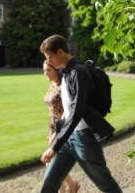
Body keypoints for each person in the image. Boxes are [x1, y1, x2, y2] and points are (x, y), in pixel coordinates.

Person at [39, 35, 122, 193]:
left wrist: (54, 147)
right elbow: (68, 109)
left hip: (84, 139)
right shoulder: (65, 71)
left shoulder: (78, 72)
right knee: (50, 182)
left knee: (106, 184)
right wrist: (58, 132)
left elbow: (76, 112)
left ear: (60, 52)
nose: (49, 61)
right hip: (68, 137)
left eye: (50, 57)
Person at [42, 60, 79, 193]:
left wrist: (57, 132)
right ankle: (73, 185)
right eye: (44, 70)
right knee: (54, 164)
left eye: (48, 70)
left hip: (62, 127)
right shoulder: (53, 85)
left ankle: (70, 187)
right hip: (53, 126)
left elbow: (68, 110)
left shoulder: (64, 85)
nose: (45, 73)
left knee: (52, 163)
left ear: (57, 70)